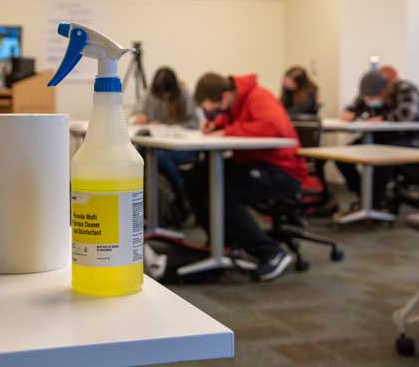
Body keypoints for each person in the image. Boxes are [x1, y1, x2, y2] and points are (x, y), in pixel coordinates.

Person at [188, 72, 309, 281]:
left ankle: (271, 253)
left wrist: (226, 132)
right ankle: (223, 241)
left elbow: (273, 126)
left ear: (225, 96)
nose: (216, 112)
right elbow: (235, 122)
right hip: (255, 164)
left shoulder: (259, 97)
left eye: (216, 108)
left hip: (282, 170)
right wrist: (218, 125)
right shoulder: (236, 102)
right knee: (196, 178)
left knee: (221, 190)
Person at [336, 67, 419, 209]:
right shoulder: (370, 92)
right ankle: (365, 197)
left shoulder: (405, 90)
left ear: (385, 89)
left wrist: (383, 118)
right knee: (342, 157)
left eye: (374, 97)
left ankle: (373, 204)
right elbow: (357, 105)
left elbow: (406, 116)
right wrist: (350, 112)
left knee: (380, 158)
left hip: (411, 139)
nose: (370, 100)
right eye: (368, 97)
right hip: (381, 138)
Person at [131, 67, 199, 226]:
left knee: (155, 158)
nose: (165, 96)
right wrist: (139, 119)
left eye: (167, 93)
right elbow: (134, 117)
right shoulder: (150, 95)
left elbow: (194, 124)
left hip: (182, 148)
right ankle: (176, 202)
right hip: (159, 146)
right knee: (146, 155)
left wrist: (174, 127)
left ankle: (180, 200)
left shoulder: (184, 96)